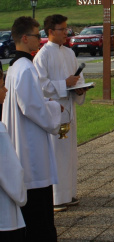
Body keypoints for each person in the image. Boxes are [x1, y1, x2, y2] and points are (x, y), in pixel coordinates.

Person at [2, 16, 62, 241]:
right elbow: (33, 108)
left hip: (21, 139)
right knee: (39, 210)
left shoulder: (16, 67)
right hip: (30, 148)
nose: (41, 40)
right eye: (38, 36)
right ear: (25, 38)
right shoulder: (26, 68)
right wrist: (55, 108)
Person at [34, 14, 87, 212]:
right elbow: (40, 85)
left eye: (66, 29)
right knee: (57, 154)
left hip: (69, 108)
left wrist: (80, 88)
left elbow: (78, 79)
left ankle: (69, 192)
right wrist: (64, 84)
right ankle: (56, 197)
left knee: (69, 154)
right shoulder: (43, 55)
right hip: (55, 111)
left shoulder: (69, 53)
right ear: (50, 32)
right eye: (62, 30)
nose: (66, 33)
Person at [0, 69, 27, 242]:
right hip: (4, 216)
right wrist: (21, 195)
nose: (6, 90)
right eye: (2, 86)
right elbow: (11, 175)